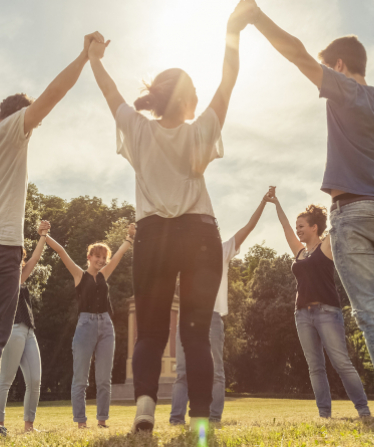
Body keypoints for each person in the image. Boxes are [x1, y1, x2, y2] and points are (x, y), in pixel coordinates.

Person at [245, 0, 374, 428]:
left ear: (337, 63)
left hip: (352, 213)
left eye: (327, 67)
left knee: (371, 314)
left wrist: (256, 17)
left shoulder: (344, 89)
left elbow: (295, 53)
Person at [87, 1, 256, 433]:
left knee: (149, 332)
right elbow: (231, 79)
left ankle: (145, 408)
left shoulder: (139, 129)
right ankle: (200, 420)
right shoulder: (201, 130)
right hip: (199, 233)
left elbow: (111, 95)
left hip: (154, 236)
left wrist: (94, 58)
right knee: (196, 334)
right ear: (190, 99)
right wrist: (233, 30)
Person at [0, 32, 105, 438]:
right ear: (22, 117)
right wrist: (83, 56)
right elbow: (54, 93)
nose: (37, 125)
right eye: (34, 120)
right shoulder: (16, 130)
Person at [265, 189, 371, 419]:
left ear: (314, 227)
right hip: (302, 315)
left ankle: (363, 411)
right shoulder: (300, 252)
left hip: (327, 312)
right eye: (297, 226)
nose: (297, 230)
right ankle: (324, 414)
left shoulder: (325, 247)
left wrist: (341, 196)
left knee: (341, 363)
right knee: (315, 367)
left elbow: (336, 222)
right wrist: (276, 203)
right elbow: (284, 228)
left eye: (301, 225)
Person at [170, 195, 268, 425]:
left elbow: (249, 226)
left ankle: (213, 417)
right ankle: (176, 419)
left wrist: (263, 202)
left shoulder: (222, 250)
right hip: (187, 317)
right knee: (183, 371)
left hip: (212, 318)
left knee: (214, 371)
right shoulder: (184, 255)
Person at [43, 221, 135, 428]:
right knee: (81, 379)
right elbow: (61, 251)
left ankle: (102, 421)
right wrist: (44, 235)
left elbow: (119, 255)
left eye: (104, 258)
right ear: (89, 257)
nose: (101, 261)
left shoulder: (104, 275)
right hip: (85, 326)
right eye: (98, 256)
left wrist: (129, 238)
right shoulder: (79, 275)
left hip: (106, 326)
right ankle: (81, 423)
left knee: (104, 379)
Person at [0, 221, 50, 433]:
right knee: (6, 381)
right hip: (13, 330)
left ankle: (29, 426)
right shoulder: (5, 279)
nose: (20, 260)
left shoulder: (20, 277)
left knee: (35, 379)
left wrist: (43, 235)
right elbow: (35, 259)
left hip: (28, 331)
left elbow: (35, 258)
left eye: (21, 257)